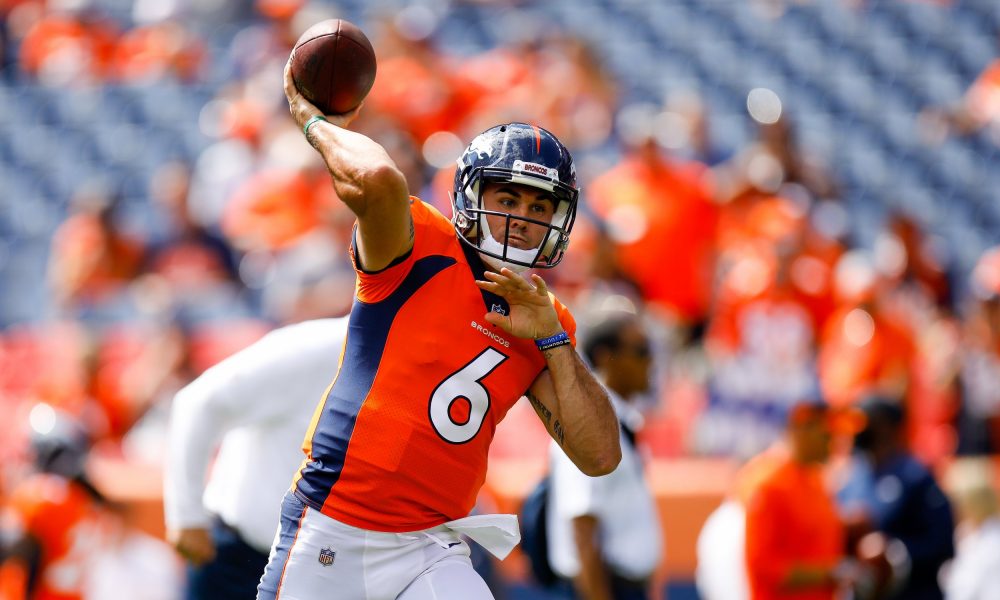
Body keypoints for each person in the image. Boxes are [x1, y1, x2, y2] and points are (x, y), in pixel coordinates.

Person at [255, 58, 622, 600]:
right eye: (507, 197)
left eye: (540, 204)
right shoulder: (420, 246)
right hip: (335, 526)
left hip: (429, 547)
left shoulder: (548, 318)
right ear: (472, 197)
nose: (523, 216)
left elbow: (599, 457)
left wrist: (553, 340)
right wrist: (316, 122)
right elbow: (378, 179)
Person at [163, 317, 348, 600]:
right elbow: (198, 403)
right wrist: (187, 517)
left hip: (327, 572)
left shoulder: (416, 366)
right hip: (241, 561)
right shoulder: (313, 348)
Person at [546, 310, 663, 600]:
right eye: (640, 351)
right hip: (605, 587)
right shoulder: (586, 428)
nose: (651, 361)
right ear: (603, 355)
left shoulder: (625, 423)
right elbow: (583, 533)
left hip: (627, 586)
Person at [843, 396, 955, 600]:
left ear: (886, 426)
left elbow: (943, 542)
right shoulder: (853, 477)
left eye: (861, 420)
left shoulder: (916, 476)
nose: (854, 429)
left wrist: (893, 554)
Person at [743, 400, 850, 600]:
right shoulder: (770, 484)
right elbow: (763, 568)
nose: (833, 441)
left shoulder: (817, 480)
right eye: (827, 434)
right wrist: (829, 574)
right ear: (801, 431)